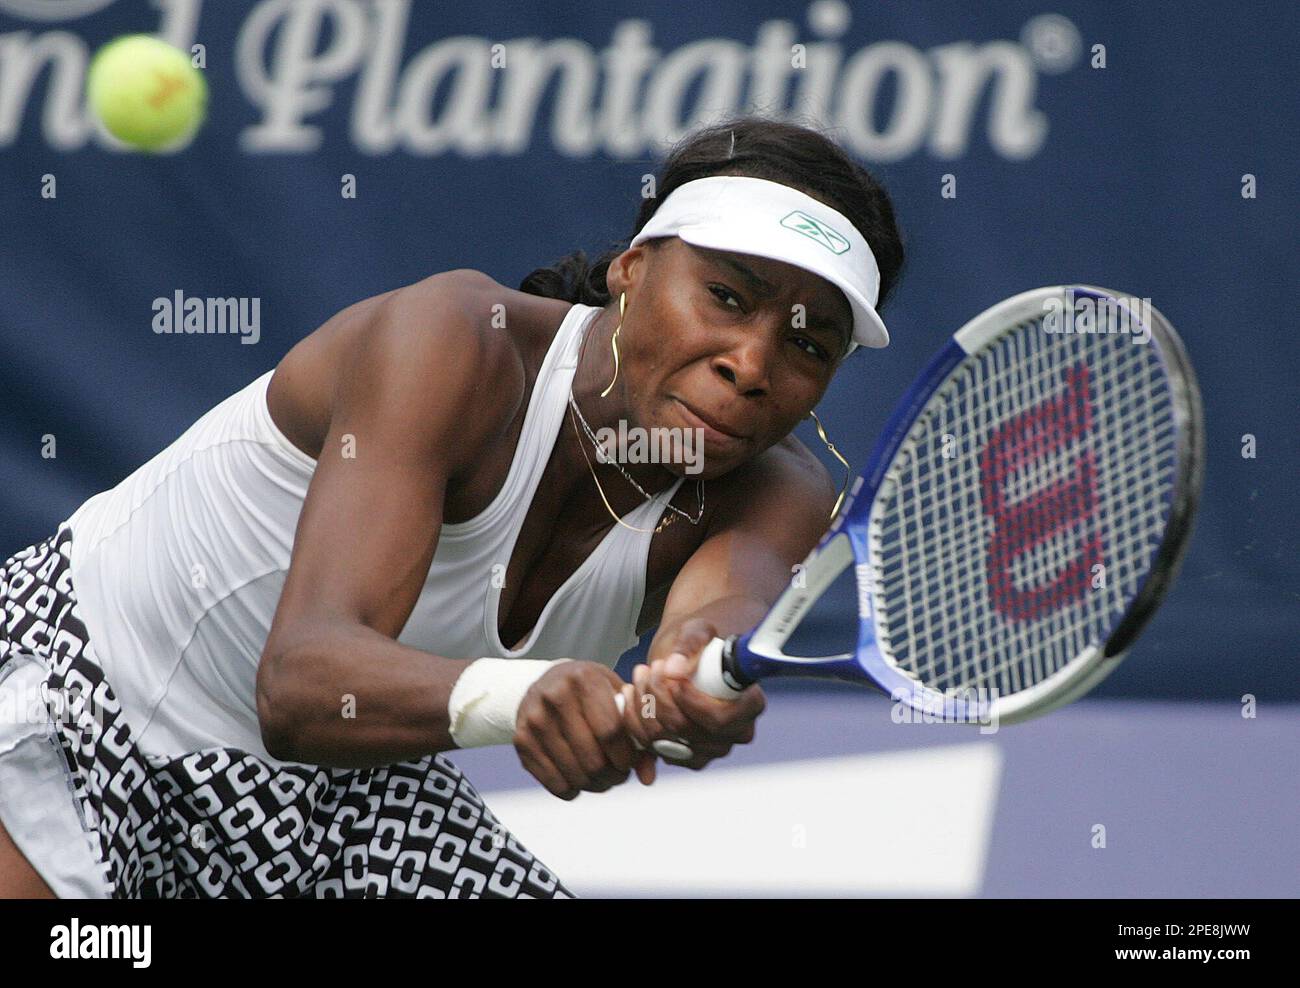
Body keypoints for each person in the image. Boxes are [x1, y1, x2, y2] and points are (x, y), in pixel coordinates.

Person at [0, 115, 904, 898]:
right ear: (633, 268)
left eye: (807, 344)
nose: (750, 364)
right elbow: (303, 680)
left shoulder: (778, 491)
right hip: (90, 699)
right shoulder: (451, 343)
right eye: (727, 296)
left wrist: (688, 687)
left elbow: (711, 621)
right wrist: (526, 697)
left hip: (342, 791)